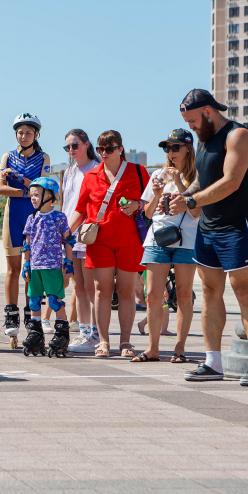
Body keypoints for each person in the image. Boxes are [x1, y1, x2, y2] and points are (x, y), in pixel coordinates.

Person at [171, 89, 248, 386]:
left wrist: (191, 203)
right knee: (211, 293)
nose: (191, 127)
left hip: (238, 226)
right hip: (209, 228)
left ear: (209, 112)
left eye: (193, 121)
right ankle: (213, 362)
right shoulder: (204, 141)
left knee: (245, 293)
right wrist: (185, 193)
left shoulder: (238, 135)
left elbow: (231, 182)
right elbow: (205, 178)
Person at [68, 130, 148, 358]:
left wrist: (138, 205)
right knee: (102, 291)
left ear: (120, 149)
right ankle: (103, 342)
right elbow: (81, 210)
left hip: (130, 240)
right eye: (101, 149)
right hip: (99, 241)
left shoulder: (138, 171)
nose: (104, 153)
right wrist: (65, 232)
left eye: (110, 149)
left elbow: (151, 201)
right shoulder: (91, 176)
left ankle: (125, 342)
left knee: (125, 291)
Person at [132, 129, 200, 363]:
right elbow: (148, 213)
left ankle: (179, 348)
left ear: (188, 149)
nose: (170, 153)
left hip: (187, 239)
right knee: (152, 294)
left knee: (183, 294)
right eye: (167, 148)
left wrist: (180, 183)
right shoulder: (158, 175)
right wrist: (158, 193)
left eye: (175, 147)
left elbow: (196, 211)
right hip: (157, 238)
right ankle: (152, 348)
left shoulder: (198, 176)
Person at [0, 113, 51, 342]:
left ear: (36, 134)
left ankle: (31, 314)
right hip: (12, 216)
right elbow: (0, 188)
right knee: (13, 269)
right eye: (20, 132)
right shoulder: (7, 156)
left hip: (35, 218)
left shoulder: (44, 157)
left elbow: (44, 189)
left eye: (29, 132)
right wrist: (27, 192)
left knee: (33, 269)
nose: (24, 136)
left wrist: (18, 177)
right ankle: (11, 314)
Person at [21, 177, 75, 356]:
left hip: (53, 266)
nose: (33, 198)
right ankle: (36, 333)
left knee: (54, 301)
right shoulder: (31, 218)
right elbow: (27, 244)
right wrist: (26, 264)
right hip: (35, 267)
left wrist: (68, 262)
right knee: (34, 301)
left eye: (37, 194)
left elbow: (68, 240)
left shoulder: (59, 217)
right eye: (31, 195)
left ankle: (61, 334)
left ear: (50, 196)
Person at [61, 129, 100, 351]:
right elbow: (68, 204)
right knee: (78, 286)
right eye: (67, 147)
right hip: (69, 235)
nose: (71, 150)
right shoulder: (70, 171)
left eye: (75, 145)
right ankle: (84, 333)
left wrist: (71, 228)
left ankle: (95, 334)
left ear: (86, 144)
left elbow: (88, 206)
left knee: (91, 286)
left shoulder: (95, 169)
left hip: (87, 234)